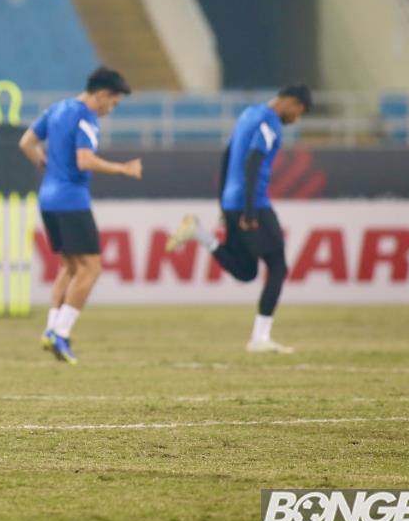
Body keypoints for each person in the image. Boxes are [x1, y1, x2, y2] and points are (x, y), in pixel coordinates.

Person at [165, 84, 312, 353]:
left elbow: (226, 156)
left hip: (233, 203)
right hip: (252, 202)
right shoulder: (270, 122)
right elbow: (253, 161)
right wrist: (250, 212)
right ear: (290, 102)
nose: (297, 118)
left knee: (246, 271)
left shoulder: (248, 115)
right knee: (277, 266)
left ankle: (200, 233)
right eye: (299, 111)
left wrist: (223, 203)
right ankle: (260, 338)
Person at [18, 67, 142, 364]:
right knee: (91, 269)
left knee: (70, 267)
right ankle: (60, 334)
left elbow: (26, 143)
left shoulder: (58, 108)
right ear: (101, 95)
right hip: (72, 200)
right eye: (112, 103)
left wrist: (45, 166)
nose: (111, 109)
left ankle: (50, 329)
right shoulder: (86, 117)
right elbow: (84, 160)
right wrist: (122, 168)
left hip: (48, 198)